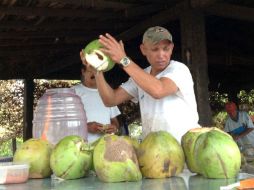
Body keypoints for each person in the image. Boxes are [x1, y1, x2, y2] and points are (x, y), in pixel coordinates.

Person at [80, 26, 200, 143]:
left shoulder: (179, 69)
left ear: (172, 48)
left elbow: (158, 90)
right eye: (155, 49)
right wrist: (97, 71)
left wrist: (123, 59)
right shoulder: (140, 76)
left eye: (166, 49)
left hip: (184, 147)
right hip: (154, 151)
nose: (161, 54)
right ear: (143, 50)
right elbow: (110, 100)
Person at [72, 64, 121, 143]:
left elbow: (114, 121)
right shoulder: (73, 92)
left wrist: (114, 127)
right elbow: (65, 124)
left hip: (105, 146)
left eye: (97, 71)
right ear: (83, 72)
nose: (94, 74)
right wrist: (86, 127)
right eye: (90, 70)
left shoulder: (108, 93)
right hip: (80, 147)